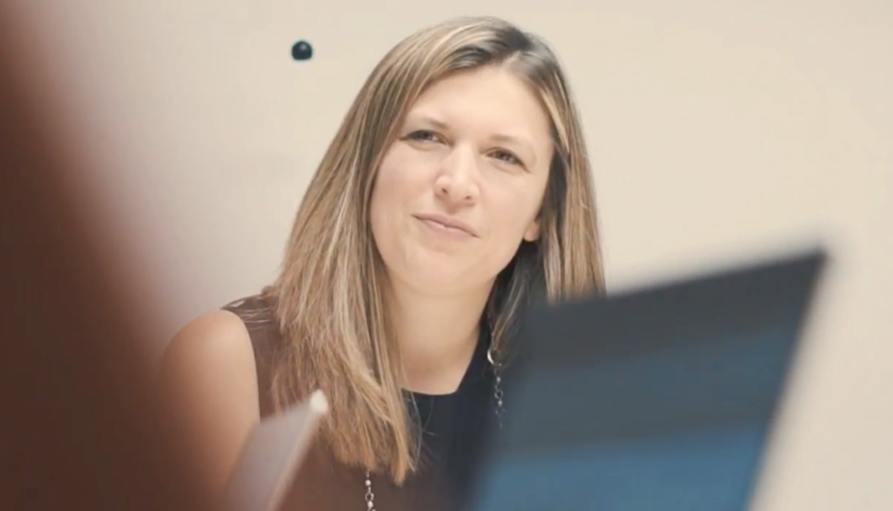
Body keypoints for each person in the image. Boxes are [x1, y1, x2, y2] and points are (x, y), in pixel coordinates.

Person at [157, 15, 606, 511]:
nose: (457, 183)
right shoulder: (227, 363)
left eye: (502, 156)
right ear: (367, 163)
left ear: (541, 213)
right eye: (427, 137)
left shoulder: (575, 397)